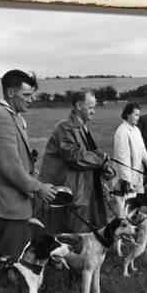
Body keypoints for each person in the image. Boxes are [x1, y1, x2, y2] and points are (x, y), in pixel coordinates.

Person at [0, 69, 57, 259]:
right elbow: (10, 167)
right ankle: (6, 285)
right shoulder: (0, 117)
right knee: (12, 257)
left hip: (15, 198)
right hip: (6, 201)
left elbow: (19, 159)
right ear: (11, 93)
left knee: (20, 250)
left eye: (31, 95)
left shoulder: (14, 116)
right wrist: (39, 188)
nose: (30, 100)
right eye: (26, 95)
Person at [37, 90, 109, 233]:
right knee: (70, 237)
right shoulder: (65, 127)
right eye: (90, 107)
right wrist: (101, 158)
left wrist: (104, 167)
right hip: (70, 191)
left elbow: (88, 157)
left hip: (83, 190)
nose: (94, 112)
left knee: (82, 235)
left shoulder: (83, 128)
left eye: (94, 107)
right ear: (78, 105)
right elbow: (74, 156)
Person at [113, 102, 147, 193]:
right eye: (136, 115)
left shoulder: (136, 130)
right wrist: (126, 181)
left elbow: (143, 151)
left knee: (139, 205)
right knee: (126, 206)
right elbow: (122, 160)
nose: (138, 117)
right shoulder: (122, 132)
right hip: (126, 181)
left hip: (137, 177)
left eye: (139, 115)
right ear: (128, 115)